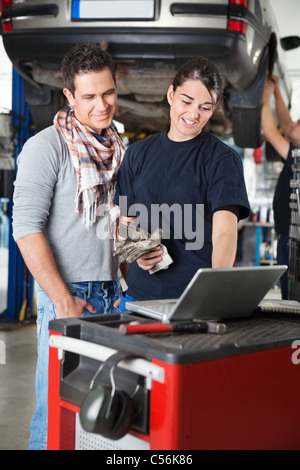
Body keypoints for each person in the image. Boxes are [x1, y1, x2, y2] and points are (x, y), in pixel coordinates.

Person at [12, 43, 125, 450]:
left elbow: (110, 225)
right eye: (89, 96)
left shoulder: (116, 148)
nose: (102, 105)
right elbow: (24, 228)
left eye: (108, 92)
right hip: (71, 296)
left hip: (114, 297)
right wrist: (62, 301)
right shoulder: (47, 147)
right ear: (69, 97)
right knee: (57, 416)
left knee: (104, 419)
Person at [114, 56, 250, 310]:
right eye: (186, 101)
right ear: (171, 94)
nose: (193, 114)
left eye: (205, 107)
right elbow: (125, 223)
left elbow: (224, 233)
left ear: (215, 107)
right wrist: (137, 251)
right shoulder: (137, 154)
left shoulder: (222, 159)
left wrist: (215, 296)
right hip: (137, 300)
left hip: (193, 302)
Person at [261, 76, 300, 299]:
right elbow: (286, 125)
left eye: (298, 123)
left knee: (291, 292)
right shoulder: (295, 153)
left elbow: (269, 128)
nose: (292, 124)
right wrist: (276, 91)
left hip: (292, 238)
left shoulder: (297, 155)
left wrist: (264, 96)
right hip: (289, 235)